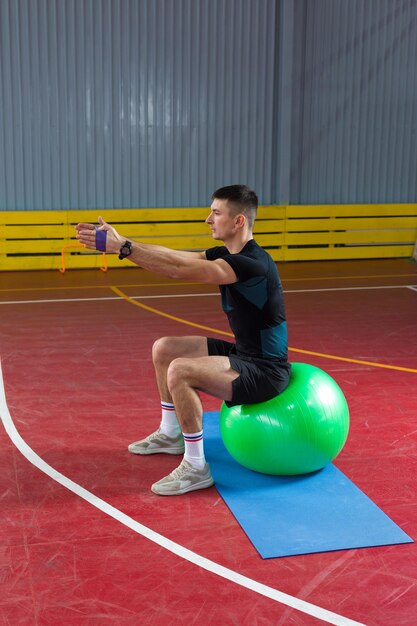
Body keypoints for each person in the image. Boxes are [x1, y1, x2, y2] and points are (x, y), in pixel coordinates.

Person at [75, 184, 291, 496]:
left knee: (180, 369)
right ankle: (170, 433)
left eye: (216, 213)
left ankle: (196, 467)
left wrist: (124, 250)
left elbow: (179, 270)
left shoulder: (251, 264)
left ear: (239, 221)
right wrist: (124, 243)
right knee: (165, 348)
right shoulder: (228, 254)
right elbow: (175, 256)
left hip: (266, 372)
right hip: (246, 354)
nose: (208, 219)